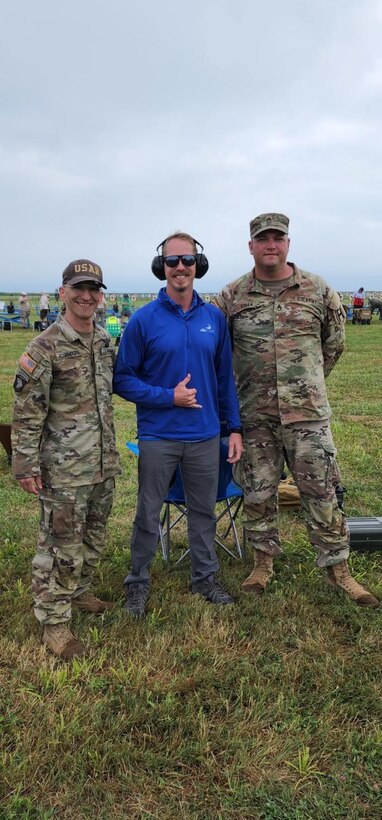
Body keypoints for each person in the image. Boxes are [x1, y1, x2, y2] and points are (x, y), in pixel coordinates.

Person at [215, 213, 379, 608]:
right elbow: (218, 352)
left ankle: (339, 571)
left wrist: (305, 382)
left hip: (307, 417)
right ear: (250, 246)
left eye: (278, 237)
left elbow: (333, 345)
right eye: (263, 238)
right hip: (255, 417)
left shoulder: (318, 289)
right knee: (258, 492)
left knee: (321, 491)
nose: (271, 244)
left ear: (288, 243)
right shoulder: (232, 296)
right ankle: (263, 563)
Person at [114, 231, 243, 618]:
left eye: (187, 260)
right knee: (148, 511)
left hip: (205, 436)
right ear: (162, 268)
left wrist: (233, 428)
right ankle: (137, 582)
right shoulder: (142, 321)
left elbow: (224, 380)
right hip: (158, 436)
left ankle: (205, 578)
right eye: (172, 262)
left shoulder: (214, 319)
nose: (180, 268)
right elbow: (123, 378)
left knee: (203, 510)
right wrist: (168, 397)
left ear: (197, 265)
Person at [12, 259, 121, 659]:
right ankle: (55, 624)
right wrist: (25, 465)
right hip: (63, 469)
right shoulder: (44, 347)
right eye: (79, 288)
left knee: (92, 537)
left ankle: (78, 593)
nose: (87, 295)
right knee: (60, 545)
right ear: (63, 292)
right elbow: (27, 411)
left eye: (94, 289)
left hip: (102, 463)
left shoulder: (103, 343)